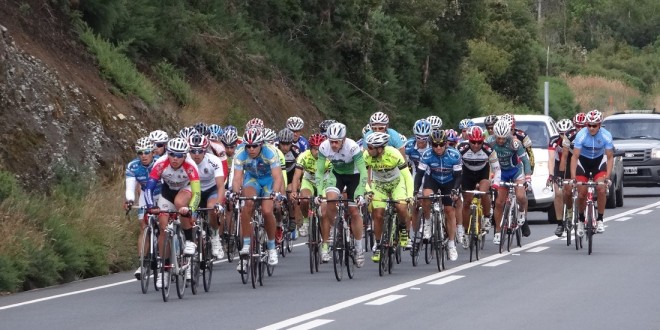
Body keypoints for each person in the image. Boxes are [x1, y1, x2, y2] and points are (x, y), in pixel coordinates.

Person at [144, 138, 201, 288]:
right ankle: (165, 270)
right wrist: (151, 206)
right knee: (163, 228)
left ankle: (189, 241)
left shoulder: (190, 165)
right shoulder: (161, 163)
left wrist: (191, 209)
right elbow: (149, 188)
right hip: (167, 192)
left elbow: (197, 193)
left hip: (186, 189)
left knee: (180, 204)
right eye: (172, 154)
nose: (175, 158)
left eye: (179, 155)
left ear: (185, 155)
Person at [231, 127, 285, 272]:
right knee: (246, 204)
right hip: (252, 179)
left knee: (267, 211)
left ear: (261, 144)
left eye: (254, 146)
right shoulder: (240, 153)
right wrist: (236, 193)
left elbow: (277, 176)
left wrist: (275, 193)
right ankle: (247, 245)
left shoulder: (270, 151)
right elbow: (237, 178)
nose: (251, 149)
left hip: (268, 181)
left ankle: (272, 248)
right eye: (248, 146)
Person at [315, 123, 366, 267]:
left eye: (337, 141)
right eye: (331, 141)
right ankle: (334, 228)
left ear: (343, 139)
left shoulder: (353, 147)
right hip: (336, 175)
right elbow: (319, 171)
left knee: (354, 211)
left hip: (354, 177)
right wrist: (319, 192)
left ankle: (358, 248)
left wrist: (360, 193)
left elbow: (363, 171)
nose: (333, 144)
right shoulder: (324, 147)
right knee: (330, 201)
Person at [363, 132, 414, 262]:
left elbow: (407, 176)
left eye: (370, 147)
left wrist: (409, 195)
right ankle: (379, 244)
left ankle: (403, 229)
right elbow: (362, 177)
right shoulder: (366, 156)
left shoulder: (394, 154)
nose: (367, 149)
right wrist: (368, 191)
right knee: (378, 214)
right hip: (379, 185)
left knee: (401, 207)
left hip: (397, 183)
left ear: (379, 148)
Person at [415, 130, 462, 261]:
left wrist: (455, 190)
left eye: (441, 144)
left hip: (449, 181)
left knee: (449, 210)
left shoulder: (454, 154)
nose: (439, 147)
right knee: (426, 197)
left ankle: (451, 244)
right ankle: (428, 223)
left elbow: (458, 176)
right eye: (435, 145)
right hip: (433, 180)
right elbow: (419, 174)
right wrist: (415, 191)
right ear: (431, 145)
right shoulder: (427, 154)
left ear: (446, 144)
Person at [485, 120, 532, 245]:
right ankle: (498, 232)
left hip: (515, 171)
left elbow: (525, 162)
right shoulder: (489, 142)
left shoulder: (514, 143)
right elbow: (485, 161)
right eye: (498, 138)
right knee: (499, 203)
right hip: (501, 173)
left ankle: (522, 212)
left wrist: (528, 178)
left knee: (521, 195)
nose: (500, 141)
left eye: (503, 138)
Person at [569, 109, 613, 235]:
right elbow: (575, 157)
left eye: (594, 126)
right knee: (581, 193)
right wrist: (573, 177)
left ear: (600, 125)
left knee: (601, 189)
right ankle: (581, 221)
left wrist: (607, 177)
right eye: (589, 125)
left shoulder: (606, 135)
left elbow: (610, 157)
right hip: (583, 163)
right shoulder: (581, 135)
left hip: (598, 164)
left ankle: (600, 219)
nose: (591, 128)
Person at [124, 137, 161, 280]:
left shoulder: (160, 163)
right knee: (143, 226)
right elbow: (130, 187)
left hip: (162, 192)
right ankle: (143, 262)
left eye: (146, 152)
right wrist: (129, 200)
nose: (143, 155)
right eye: (140, 152)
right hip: (146, 194)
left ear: (152, 152)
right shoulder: (133, 166)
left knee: (165, 223)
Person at [458, 126, 500, 247]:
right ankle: (466, 233)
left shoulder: (488, 149)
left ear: (483, 141)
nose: (476, 145)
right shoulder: (461, 148)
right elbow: (454, 167)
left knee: (483, 192)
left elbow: (497, 169)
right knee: (466, 202)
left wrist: (496, 183)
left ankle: (487, 217)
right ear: (468, 140)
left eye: (479, 142)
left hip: (482, 173)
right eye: (473, 142)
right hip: (467, 174)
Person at [188, 134, 226, 258]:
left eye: (200, 151)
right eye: (193, 151)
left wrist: (218, 204)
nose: (196, 154)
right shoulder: (186, 161)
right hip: (194, 191)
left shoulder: (213, 161)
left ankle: (215, 237)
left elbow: (221, 186)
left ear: (205, 151)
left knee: (212, 208)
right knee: (189, 217)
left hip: (211, 190)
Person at [290, 134, 330, 237]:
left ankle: (328, 228)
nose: (317, 151)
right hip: (309, 180)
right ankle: (306, 221)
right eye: (314, 149)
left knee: (324, 209)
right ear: (310, 148)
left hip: (325, 182)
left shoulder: (330, 156)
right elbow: (296, 176)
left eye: (319, 149)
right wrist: (294, 191)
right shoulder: (304, 156)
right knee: (304, 199)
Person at [547, 118, 574, 236]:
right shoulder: (554, 141)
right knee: (558, 193)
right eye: (561, 133)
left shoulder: (575, 139)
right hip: (559, 165)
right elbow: (551, 159)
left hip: (572, 162)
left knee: (570, 190)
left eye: (566, 133)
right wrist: (551, 175)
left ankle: (570, 211)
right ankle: (559, 223)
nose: (564, 136)